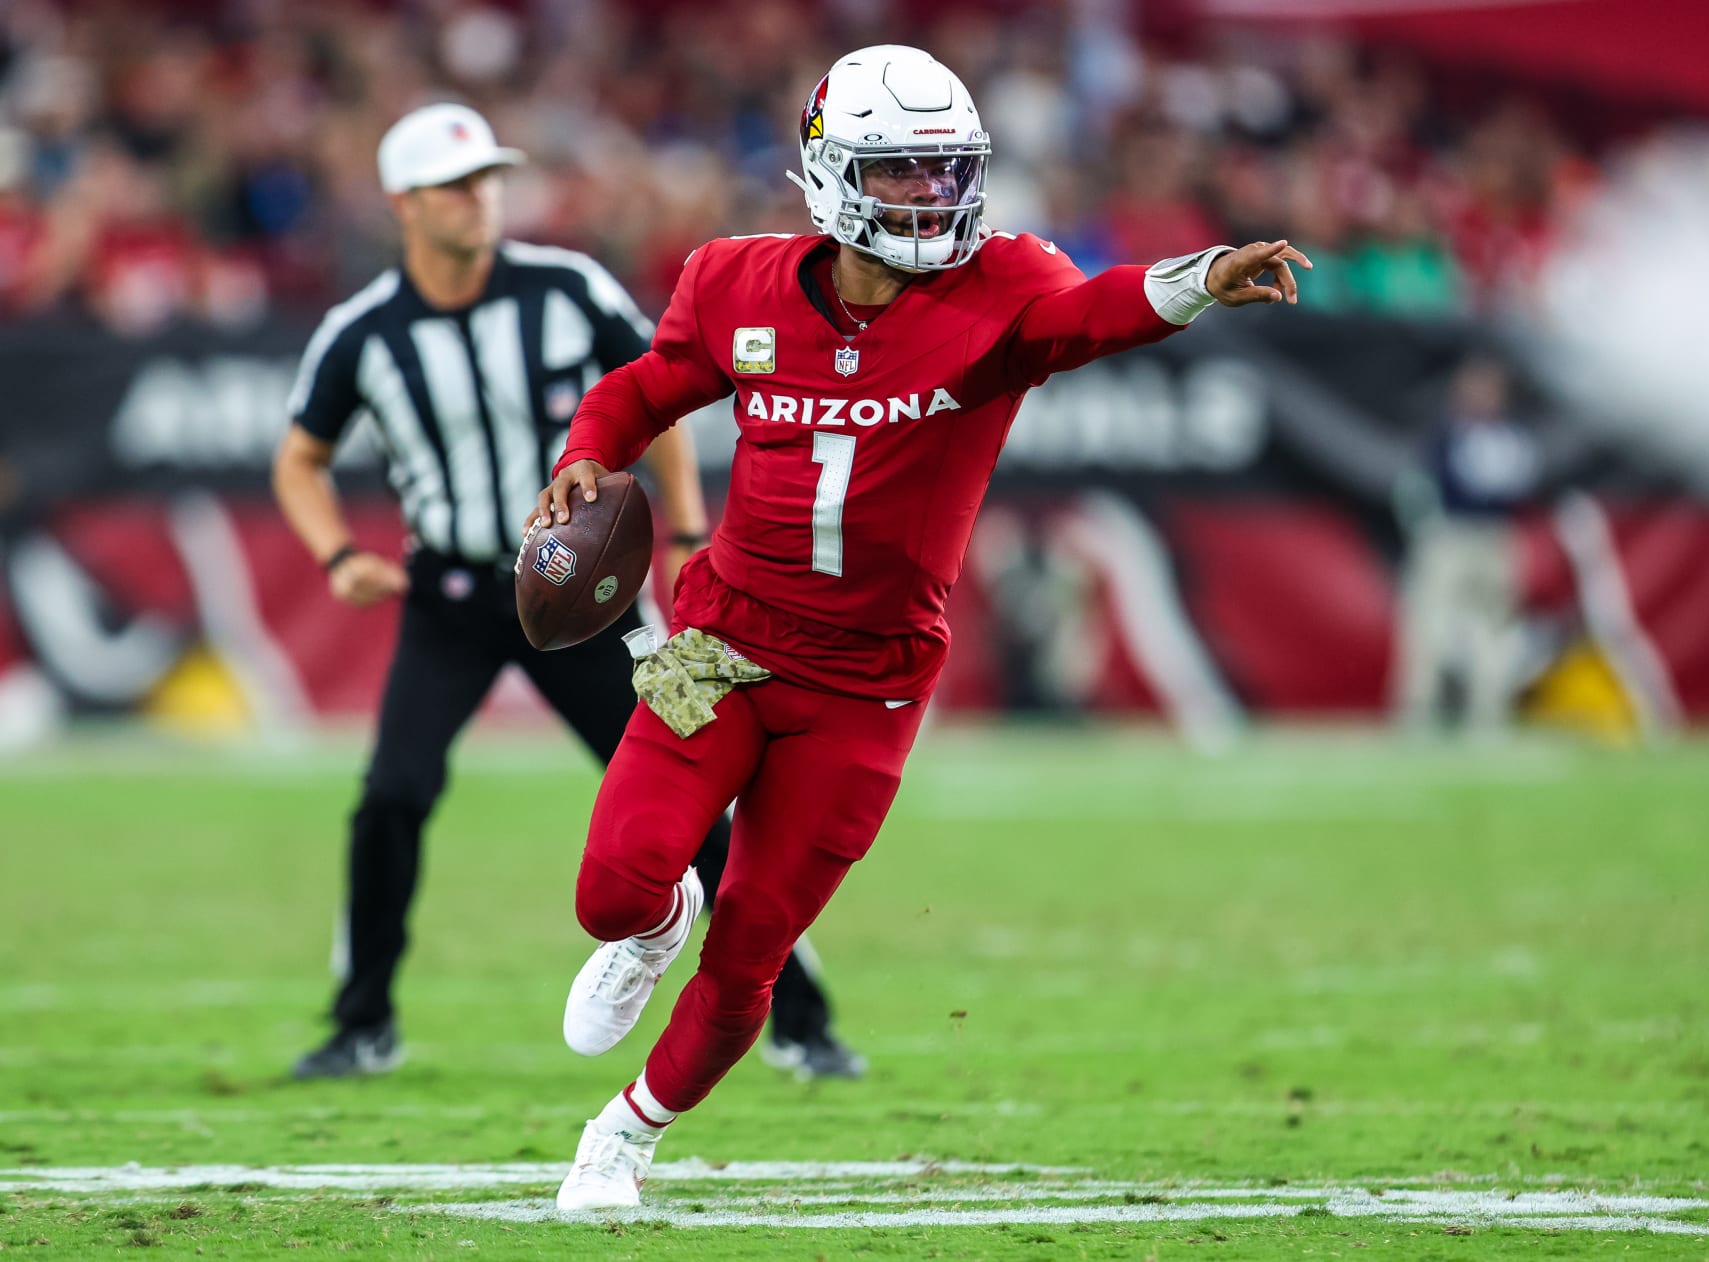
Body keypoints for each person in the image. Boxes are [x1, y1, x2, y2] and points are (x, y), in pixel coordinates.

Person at [533, 44, 1308, 1210]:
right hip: (719, 641)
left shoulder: (999, 287)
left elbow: (1096, 309)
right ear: (832, 175)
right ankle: (654, 926)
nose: (932, 198)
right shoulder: (734, 283)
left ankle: (625, 1136)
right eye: (901, 174)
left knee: (753, 951)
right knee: (614, 886)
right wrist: (586, 458)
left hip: (867, 683)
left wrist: (1196, 276)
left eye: (947, 171)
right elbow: (646, 388)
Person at [273, 102, 860, 1082]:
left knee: (699, 801)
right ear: (404, 204)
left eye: (487, 178)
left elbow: (661, 393)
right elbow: (300, 459)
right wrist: (337, 555)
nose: (481, 198)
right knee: (392, 794)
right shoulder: (361, 330)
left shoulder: (565, 286)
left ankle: (801, 1015)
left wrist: (678, 528)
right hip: (452, 597)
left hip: (597, 603)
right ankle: (361, 1019)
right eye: (457, 184)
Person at [1392, 354, 1539, 732]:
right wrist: (1427, 526)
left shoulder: (1511, 438)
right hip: (1449, 536)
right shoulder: (1444, 435)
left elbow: (1521, 490)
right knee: (1429, 628)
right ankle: (1418, 713)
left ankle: (1488, 714)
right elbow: (1416, 486)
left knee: (1494, 629)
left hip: (1493, 536)